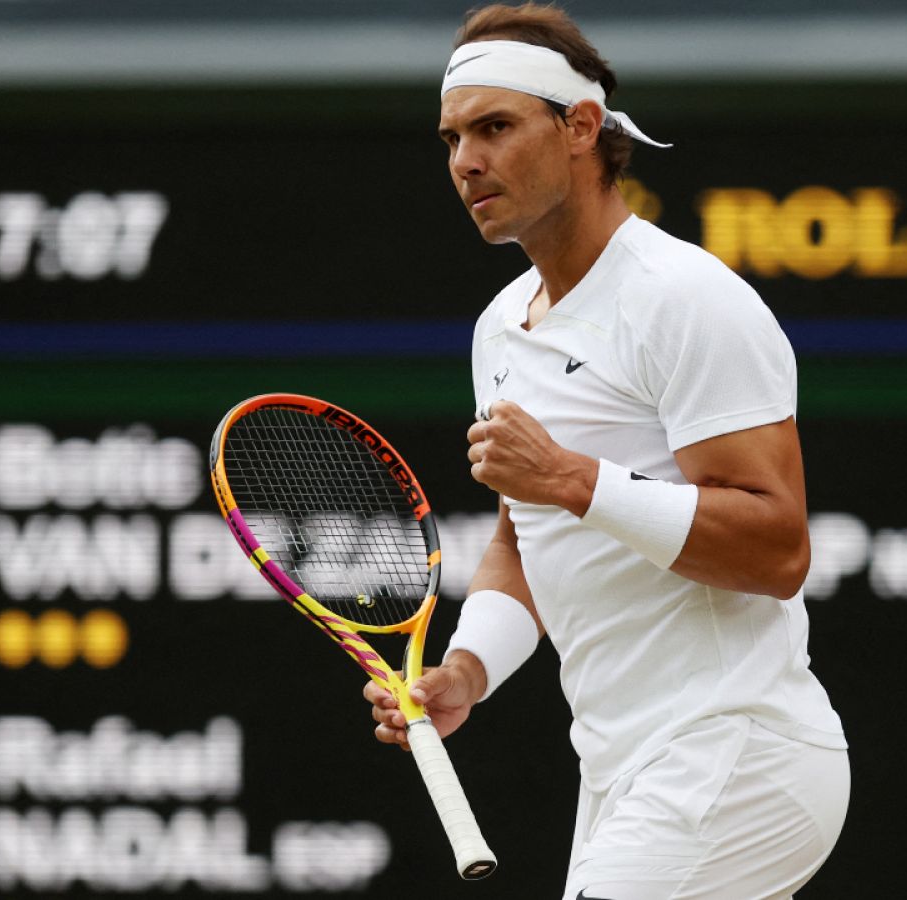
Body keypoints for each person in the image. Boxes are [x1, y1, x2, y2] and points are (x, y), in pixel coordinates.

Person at [363, 5, 849, 897]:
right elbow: (525, 539)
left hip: (737, 753)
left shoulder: (686, 298)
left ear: (581, 128)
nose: (466, 160)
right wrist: (469, 669)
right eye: (452, 137)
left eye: (496, 127)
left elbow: (778, 550)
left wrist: (574, 479)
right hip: (622, 770)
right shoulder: (500, 328)